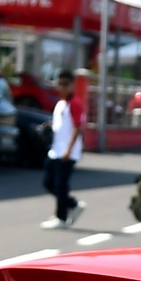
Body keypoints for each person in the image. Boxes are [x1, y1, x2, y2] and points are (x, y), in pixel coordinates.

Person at [40, 87, 84, 228]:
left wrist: (69, 149)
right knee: (48, 182)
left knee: (61, 185)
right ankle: (73, 204)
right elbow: (62, 125)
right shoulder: (61, 103)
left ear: (71, 84)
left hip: (67, 152)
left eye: (66, 84)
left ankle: (61, 217)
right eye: (60, 83)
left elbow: (77, 127)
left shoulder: (75, 103)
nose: (63, 87)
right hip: (55, 150)